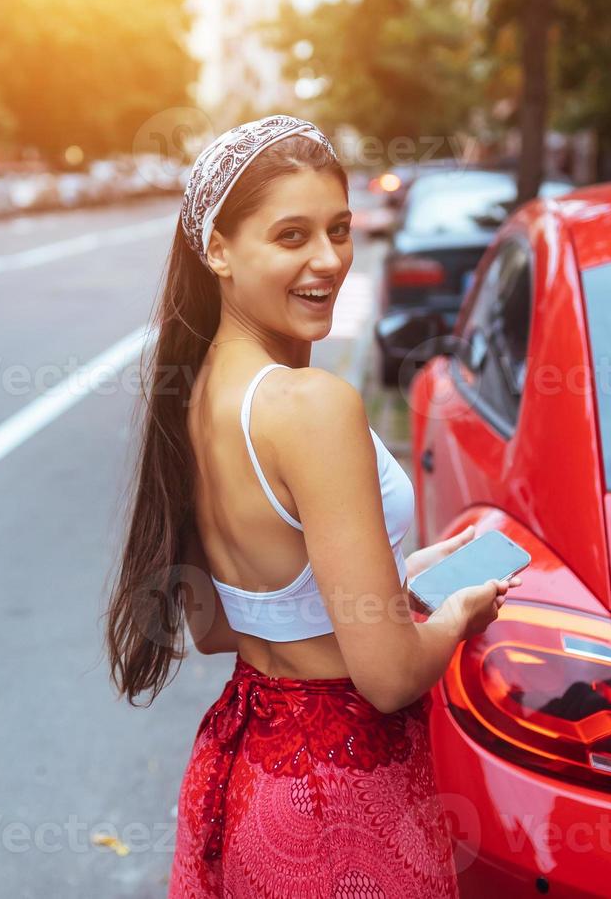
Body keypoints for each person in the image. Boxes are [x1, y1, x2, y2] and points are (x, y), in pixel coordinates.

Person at [102, 114, 522, 897]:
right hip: (344, 795)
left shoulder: (191, 396)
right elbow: (389, 677)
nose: (327, 260)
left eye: (338, 230)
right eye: (290, 236)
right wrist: (455, 614)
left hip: (245, 766)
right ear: (217, 250)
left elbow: (221, 624)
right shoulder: (309, 405)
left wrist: (394, 576)